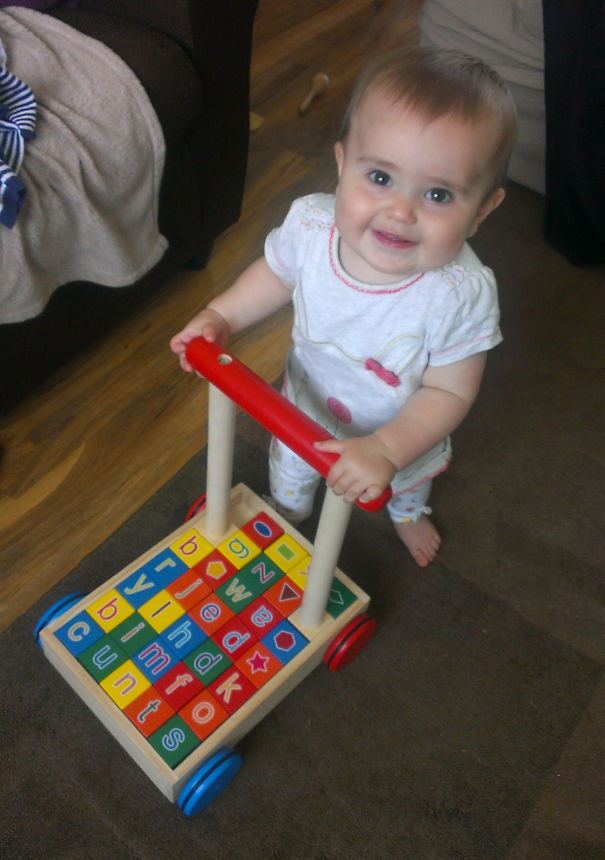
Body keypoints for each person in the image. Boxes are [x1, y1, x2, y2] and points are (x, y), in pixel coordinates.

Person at [170, 46, 518, 567]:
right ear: (341, 164)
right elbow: (275, 274)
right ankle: (288, 513)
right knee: (290, 472)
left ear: (483, 210)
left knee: (403, 485)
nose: (400, 211)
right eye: (380, 178)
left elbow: (449, 391)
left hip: (398, 433)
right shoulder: (311, 227)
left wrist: (387, 449)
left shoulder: (458, 294)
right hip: (307, 402)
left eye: (438, 196)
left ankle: (408, 515)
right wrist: (222, 315)